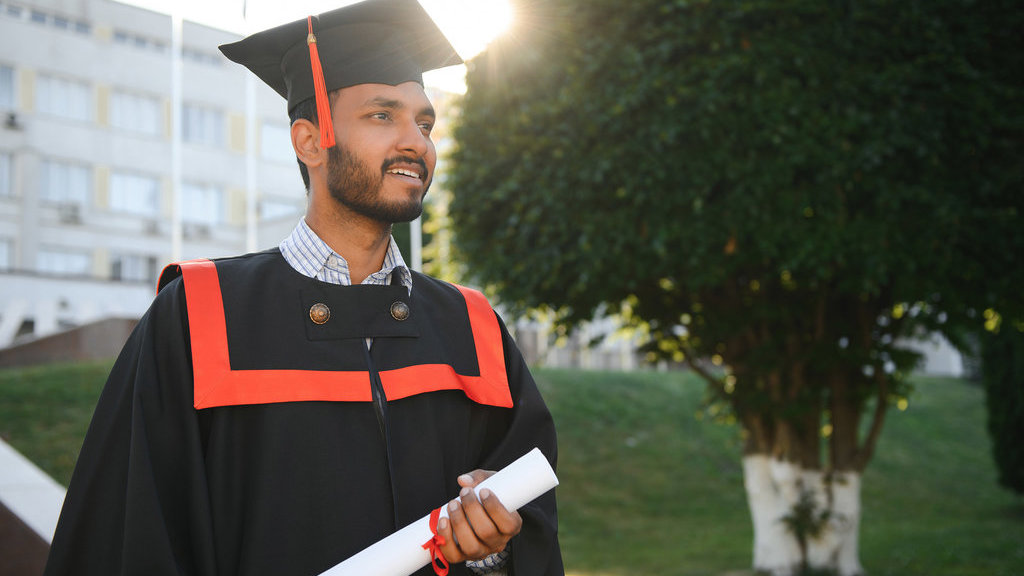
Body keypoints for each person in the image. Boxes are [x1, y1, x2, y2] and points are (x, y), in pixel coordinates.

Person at [42, 0, 562, 574]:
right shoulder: (199, 315)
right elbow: (132, 531)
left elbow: (529, 514)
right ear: (309, 141)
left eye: (425, 122)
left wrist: (495, 545)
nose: (416, 141)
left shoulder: (471, 327)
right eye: (383, 116)